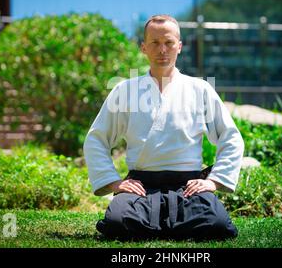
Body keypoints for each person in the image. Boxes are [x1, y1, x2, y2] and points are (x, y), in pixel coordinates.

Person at [83, 14, 244, 240]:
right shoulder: (125, 90)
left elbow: (231, 138)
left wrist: (213, 181)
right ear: (143, 48)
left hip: (188, 186)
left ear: (179, 46)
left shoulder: (200, 89)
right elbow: (96, 139)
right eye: (155, 43)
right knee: (118, 223)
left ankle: (159, 223)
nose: (162, 50)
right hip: (140, 185)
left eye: (168, 43)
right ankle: (169, 223)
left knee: (217, 225)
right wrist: (115, 182)